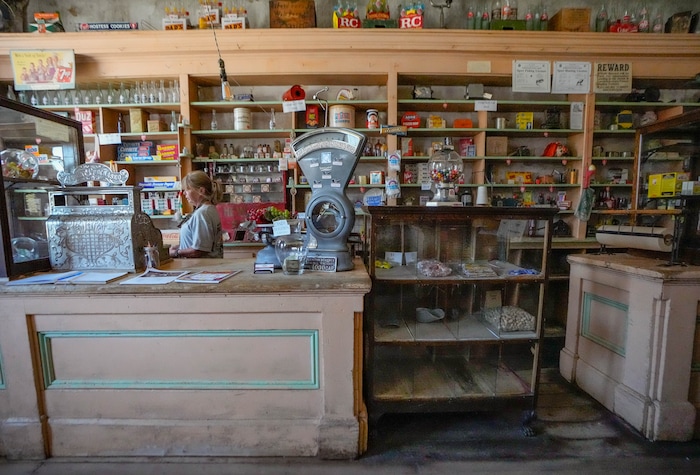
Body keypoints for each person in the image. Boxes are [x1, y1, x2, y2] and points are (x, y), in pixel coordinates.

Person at [170, 170, 223, 259]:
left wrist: (176, 252)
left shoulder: (202, 214)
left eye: (188, 189)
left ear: (201, 191)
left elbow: (198, 250)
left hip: (200, 267)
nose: (184, 193)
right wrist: (181, 247)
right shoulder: (208, 209)